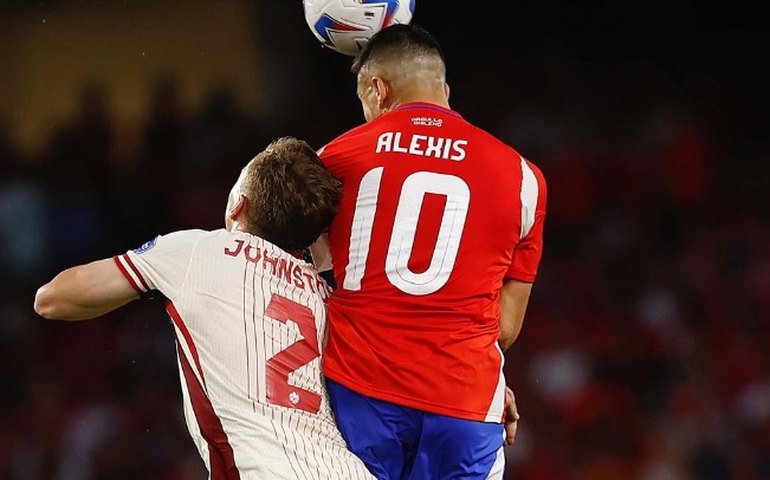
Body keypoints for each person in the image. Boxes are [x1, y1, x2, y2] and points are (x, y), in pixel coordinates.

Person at [34, 137, 375, 480]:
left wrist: (150, 281)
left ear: (237, 205)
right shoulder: (325, 296)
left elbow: (51, 299)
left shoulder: (198, 251)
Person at [313, 24, 547, 480]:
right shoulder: (524, 178)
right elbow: (506, 327)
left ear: (377, 90)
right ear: (444, 90)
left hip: (360, 397)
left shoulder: (331, 161)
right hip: (465, 404)